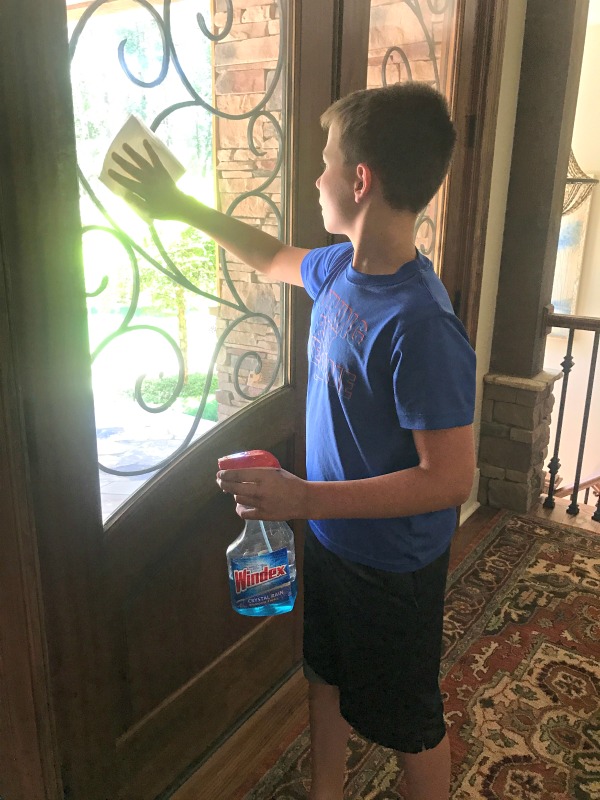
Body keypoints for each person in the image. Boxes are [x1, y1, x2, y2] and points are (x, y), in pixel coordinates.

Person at [109, 81, 476, 800]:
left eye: (325, 162)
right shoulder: (339, 269)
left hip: (393, 567)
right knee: (325, 674)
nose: (315, 179)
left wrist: (301, 497)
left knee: (409, 721)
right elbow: (271, 255)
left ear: (359, 181)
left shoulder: (421, 325)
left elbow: (448, 478)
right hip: (334, 542)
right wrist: (177, 205)